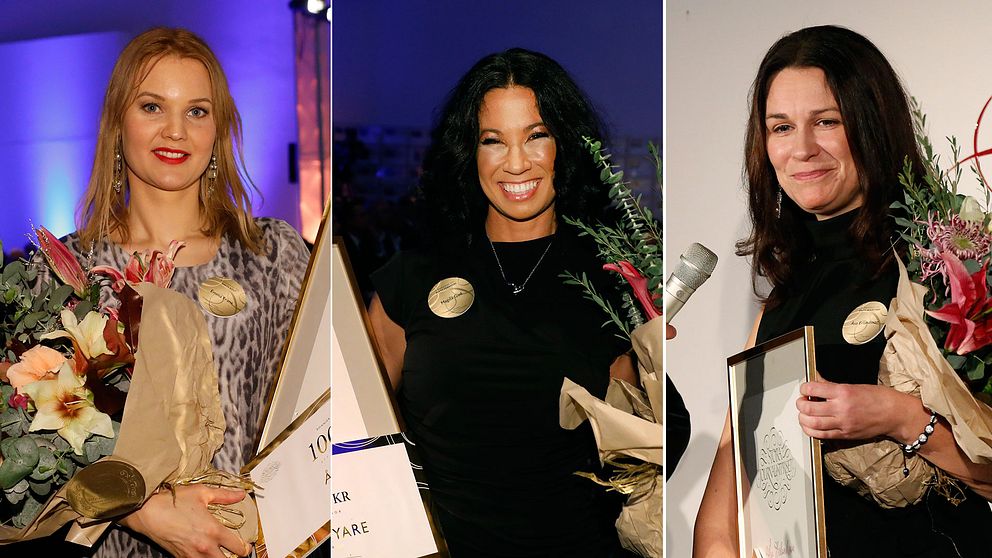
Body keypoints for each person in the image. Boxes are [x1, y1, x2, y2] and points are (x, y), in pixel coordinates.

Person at [692, 25, 992, 557]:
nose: (802, 149)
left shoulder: (944, 265)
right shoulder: (782, 294)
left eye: (826, 122)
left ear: (872, 125)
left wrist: (898, 417)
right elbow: (733, 468)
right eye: (780, 127)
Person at [25, 28, 310, 558]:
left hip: (255, 543)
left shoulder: (272, 255)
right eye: (153, 106)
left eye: (197, 111)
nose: (175, 131)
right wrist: (145, 510)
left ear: (218, 130)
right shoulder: (65, 273)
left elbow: (318, 408)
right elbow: (35, 441)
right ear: (117, 124)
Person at [367, 48, 636, 557]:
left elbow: (647, 445)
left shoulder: (614, 281)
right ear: (470, 153)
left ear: (567, 145)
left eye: (537, 135)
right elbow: (359, 424)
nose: (517, 162)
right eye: (494, 141)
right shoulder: (415, 275)